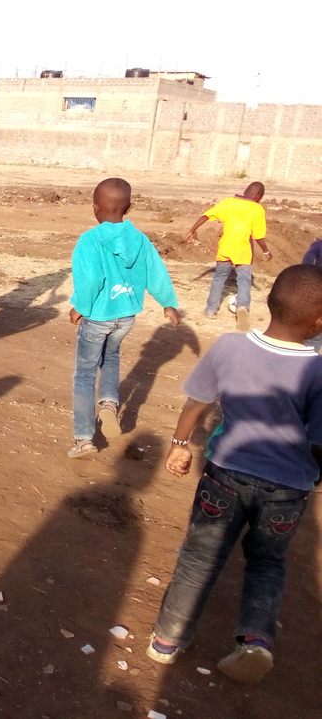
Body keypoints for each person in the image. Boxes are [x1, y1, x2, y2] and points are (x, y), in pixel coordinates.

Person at [147, 264, 322, 685]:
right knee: (266, 563)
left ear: (269, 302)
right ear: (318, 323)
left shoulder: (229, 346)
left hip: (225, 474)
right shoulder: (318, 370)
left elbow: (197, 402)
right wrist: (315, 477)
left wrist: (180, 444)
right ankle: (255, 641)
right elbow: (319, 442)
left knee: (198, 557)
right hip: (287, 488)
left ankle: (167, 640)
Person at [68, 177, 181, 459]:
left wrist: (80, 306)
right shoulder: (140, 240)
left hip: (97, 316)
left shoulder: (90, 240)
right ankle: (108, 404)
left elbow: (92, 278)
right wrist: (168, 303)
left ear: (95, 207)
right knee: (112, 357)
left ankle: (84, 439)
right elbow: (156, 272)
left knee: (84, 374)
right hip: (126, 316)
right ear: (128, 208)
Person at [184, 182, 271, 330]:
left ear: (246, 191)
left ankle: (210, 310)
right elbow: (259, 236)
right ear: (258, 196)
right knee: (244, 280)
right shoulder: (257, 209)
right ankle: (242, 308)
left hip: (225, 248)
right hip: (243, 251)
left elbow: (206, 215)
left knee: (219, 278)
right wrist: (266, 251)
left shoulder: (229, 202)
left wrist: (192, 230)